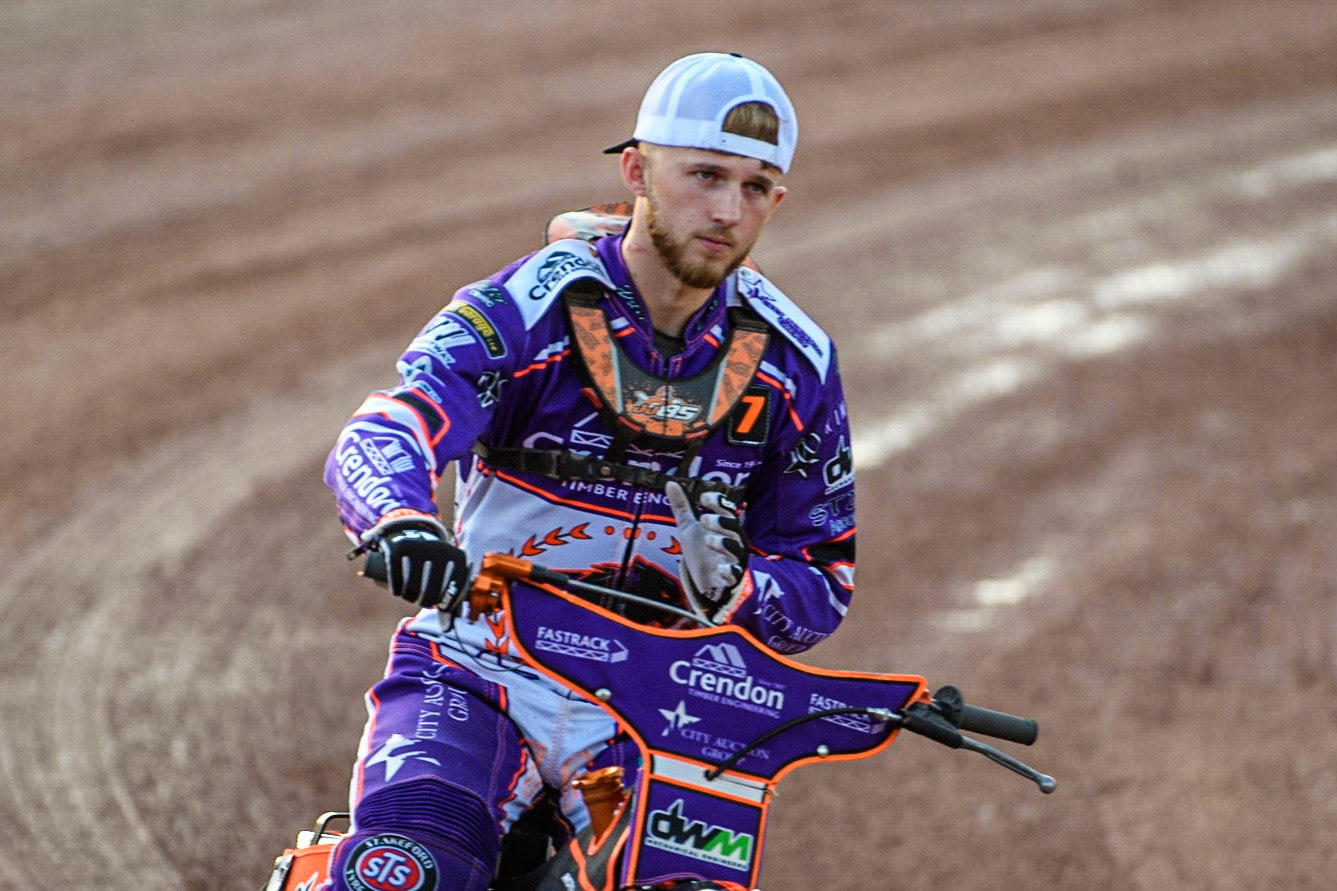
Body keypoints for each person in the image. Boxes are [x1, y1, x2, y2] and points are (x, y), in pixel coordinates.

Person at [322, 51, 857, 891]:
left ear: (776, 201)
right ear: (636, 171)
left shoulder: (796, 363)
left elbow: (821, 578)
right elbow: (394, 421)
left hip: (670, 706)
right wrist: (398, 519)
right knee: (404, 870)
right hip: (482, 667)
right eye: (704, 175)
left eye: (755, 187)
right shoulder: (525, 306)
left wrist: (738, 591)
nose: (727, 210)